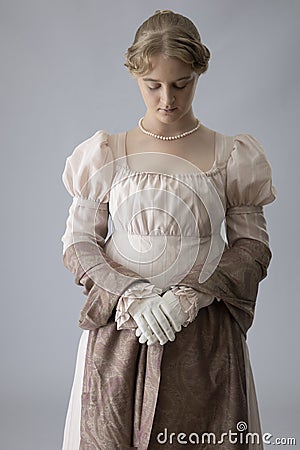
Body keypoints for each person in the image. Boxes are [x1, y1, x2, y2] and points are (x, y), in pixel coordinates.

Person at [60, 10, 277, 450]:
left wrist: (193, 295)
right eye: (152, 86)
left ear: (199, 72)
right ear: (135, 76)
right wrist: (129, 294)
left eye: (181, 84)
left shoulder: (230, 155)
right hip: (124, 328)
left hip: (200, 328)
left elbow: (252, 247)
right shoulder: (105, 154)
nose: (167, 100)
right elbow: (79, 242)